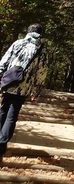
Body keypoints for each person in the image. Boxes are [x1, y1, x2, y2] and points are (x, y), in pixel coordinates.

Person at [0, 24, 47, 164]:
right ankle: (1, 145)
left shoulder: (18, 43)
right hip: (24, 87)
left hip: (9, 82)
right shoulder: (41, 50)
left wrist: (1, 76)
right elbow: (41, 72)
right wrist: (36, 90)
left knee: (3, 110)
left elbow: (4, 61)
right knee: (12, 115)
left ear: (28, 32)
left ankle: (1, 143)